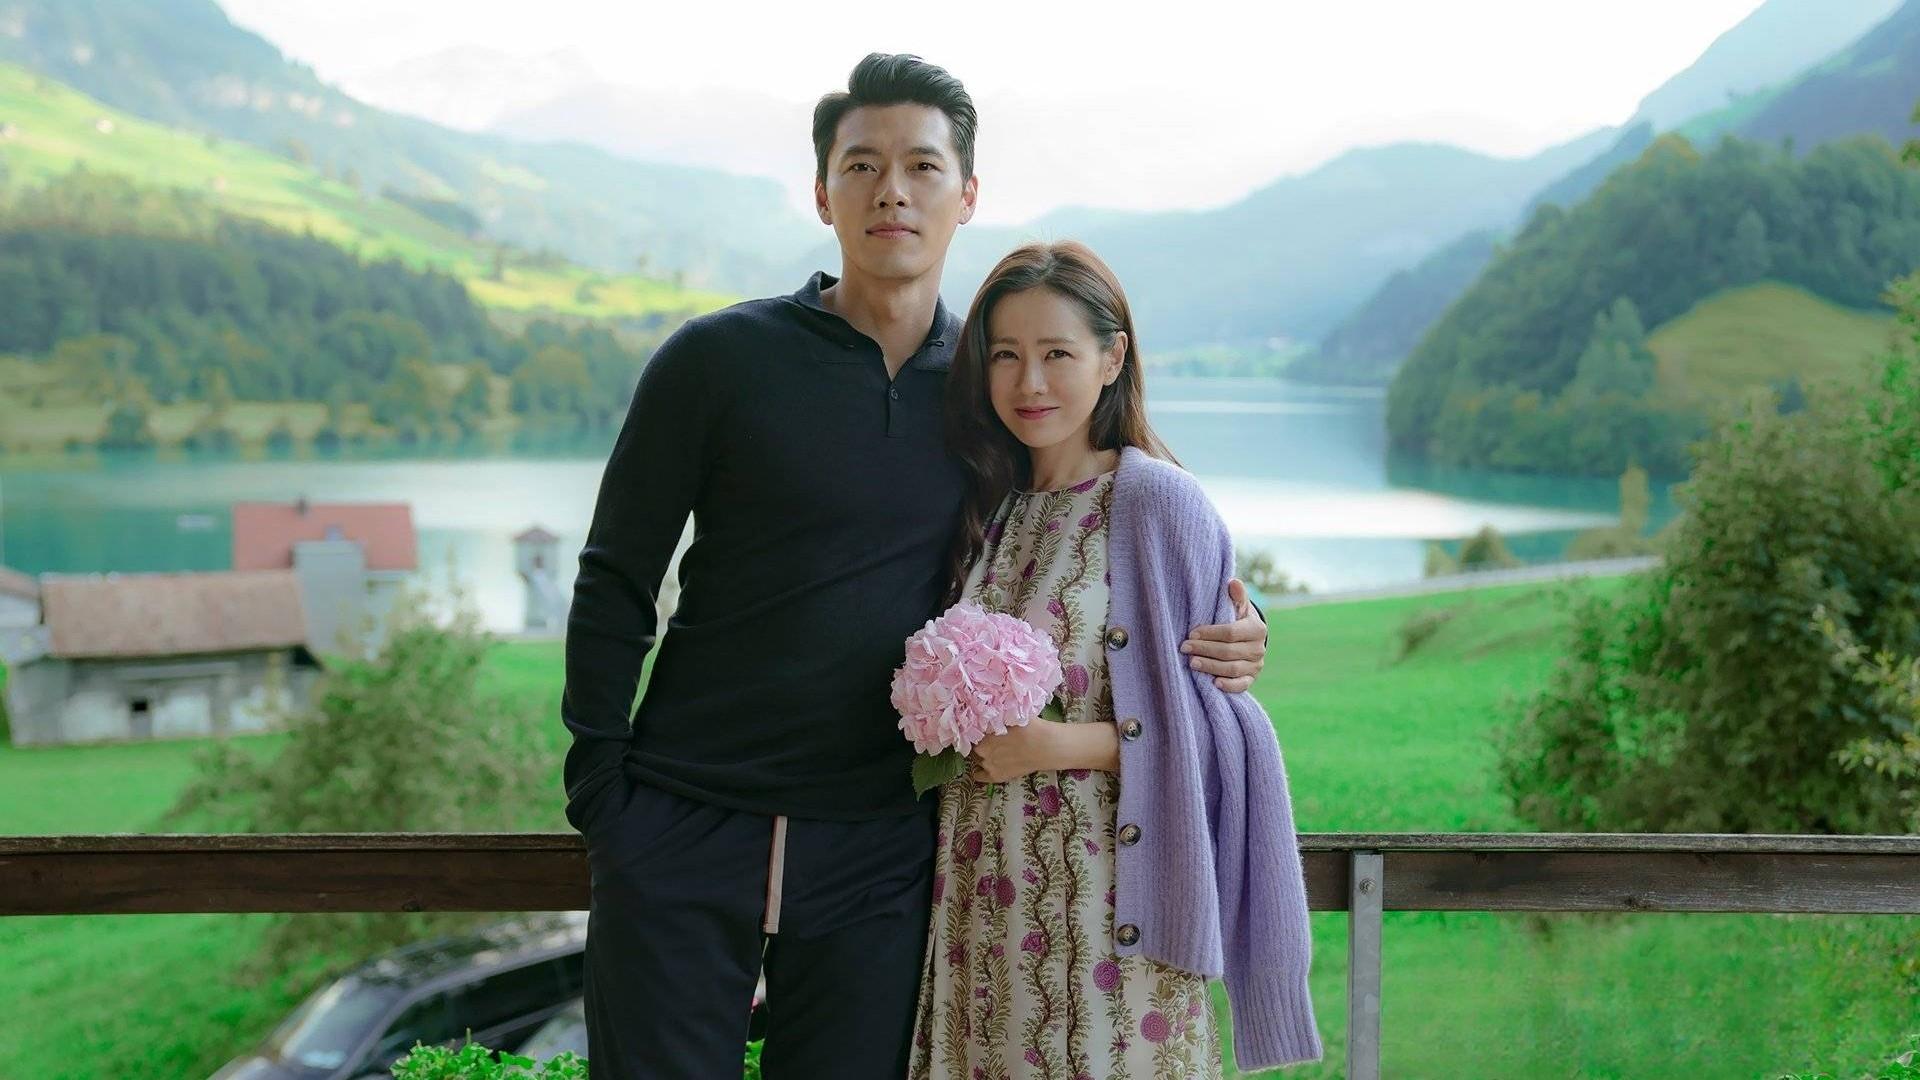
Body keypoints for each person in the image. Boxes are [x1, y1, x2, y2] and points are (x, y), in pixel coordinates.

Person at [559, 55, 1273, 1079]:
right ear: (823, 193)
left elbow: (1102, 513)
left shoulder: (992, 389)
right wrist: (602, 795)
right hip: (684, 817)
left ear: (966, 194)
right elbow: (615, 577)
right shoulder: (715, 361)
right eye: (862, 165)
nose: (891, 190)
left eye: (922, 166)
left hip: (884, 846)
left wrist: (1239, 624)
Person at [908, 241, 1322, 1077]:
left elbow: (1222, 733)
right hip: (982, 916)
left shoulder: (1159, 504)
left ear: (1112, 358)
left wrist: (1060, 745)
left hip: (1112, 926)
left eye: (1057, 354)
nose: (1029, 382)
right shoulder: (986, 505)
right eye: (1006, 355)